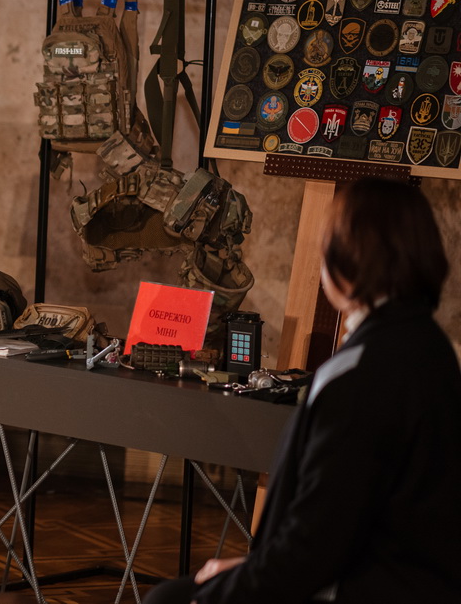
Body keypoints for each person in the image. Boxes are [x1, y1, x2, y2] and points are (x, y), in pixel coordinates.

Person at [144, 177, 461, 604]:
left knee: (169, 599)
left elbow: (316, 546)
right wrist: (252, 566)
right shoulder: (431, 348)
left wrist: (229, 588)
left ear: (346, 259)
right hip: (412, 580)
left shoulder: (360, 374)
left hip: (363, 587)